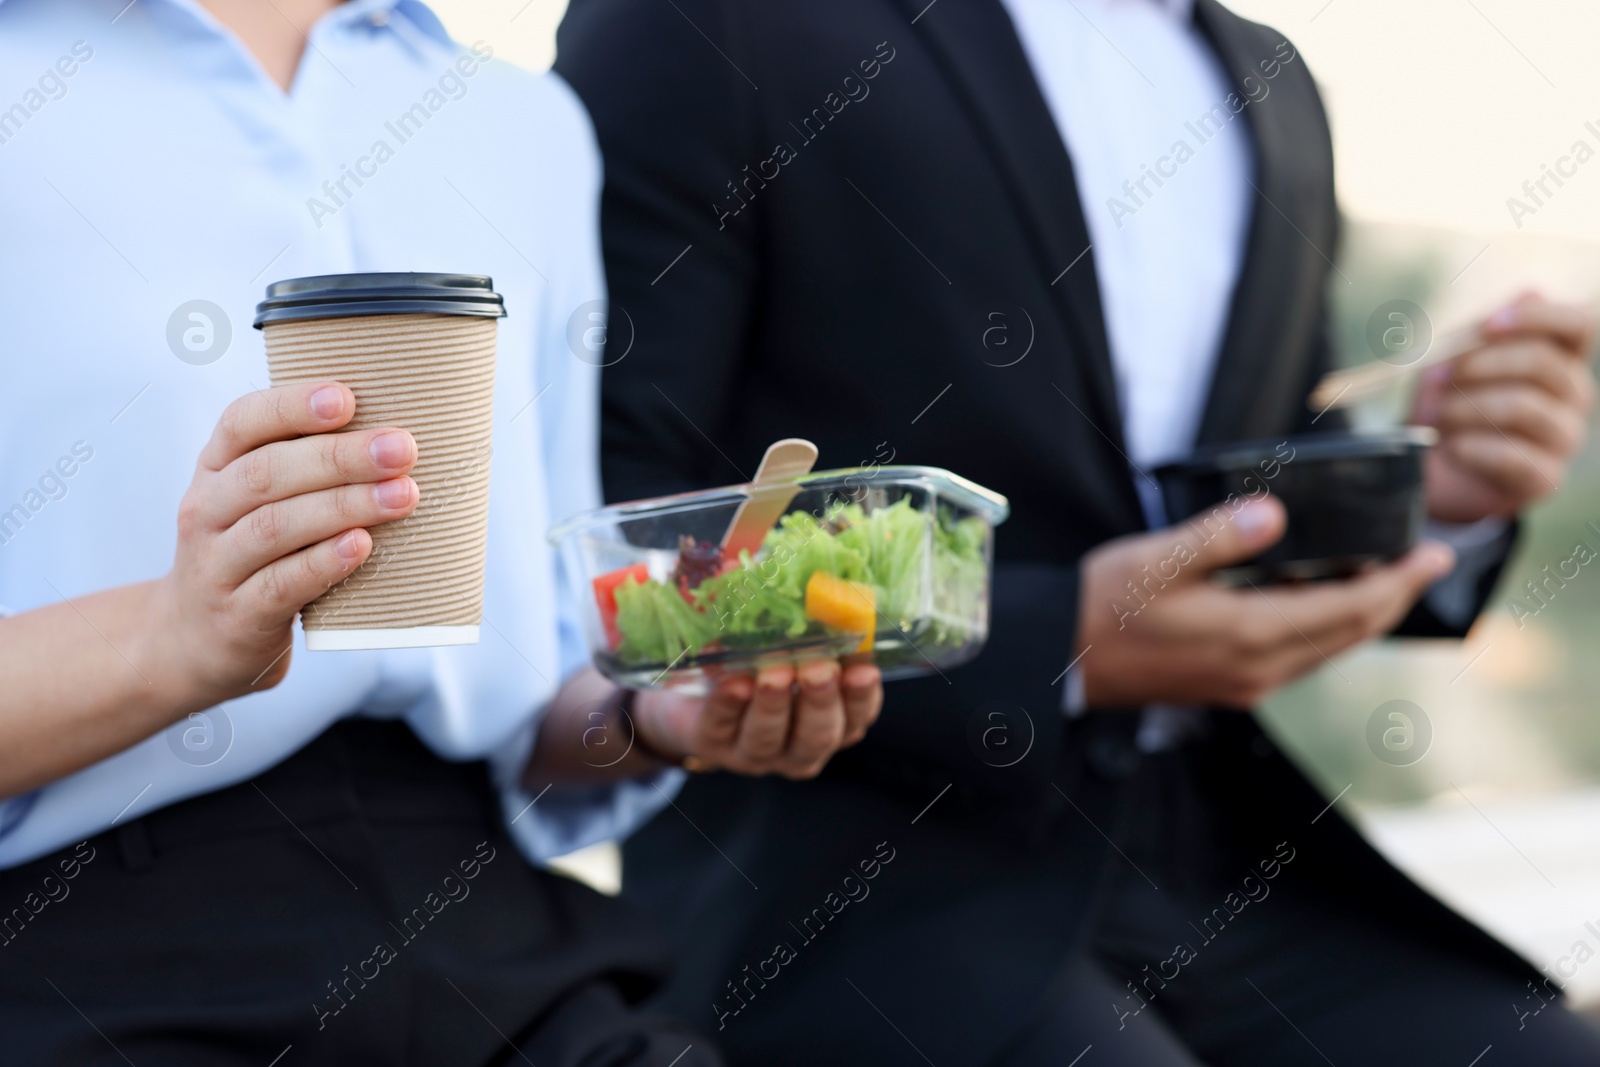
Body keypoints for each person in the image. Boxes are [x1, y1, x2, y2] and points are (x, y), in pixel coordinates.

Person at [555, 0, 1600, 1063]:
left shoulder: (1271, 78)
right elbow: (609, 516)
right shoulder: (710, 20)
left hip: (1220, 856)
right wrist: (1055, 642)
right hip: (846, 874)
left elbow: (1258, 481)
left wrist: (1439, 494)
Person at [0, 1, 881, 1063]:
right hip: (82, 946)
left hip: (483, 920)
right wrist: (168, 636)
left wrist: (661, 712)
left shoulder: (524, 126)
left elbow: (538, 708)